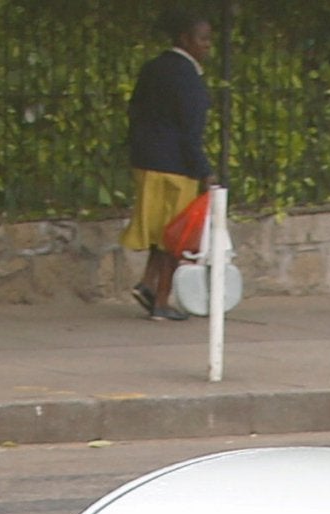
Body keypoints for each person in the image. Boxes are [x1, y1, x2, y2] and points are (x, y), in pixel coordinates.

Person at [122, 7, 214, 323]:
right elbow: (191, 131)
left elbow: (134, 110)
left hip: (146, 161)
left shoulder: (152, 68)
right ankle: (162, 300)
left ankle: (148, 285)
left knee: (161, 232)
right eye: (202, 39)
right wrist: (205, 170)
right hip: (176, 167)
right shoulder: (189, 79)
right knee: (177, 236)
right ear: (184, 39)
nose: (207, 46)